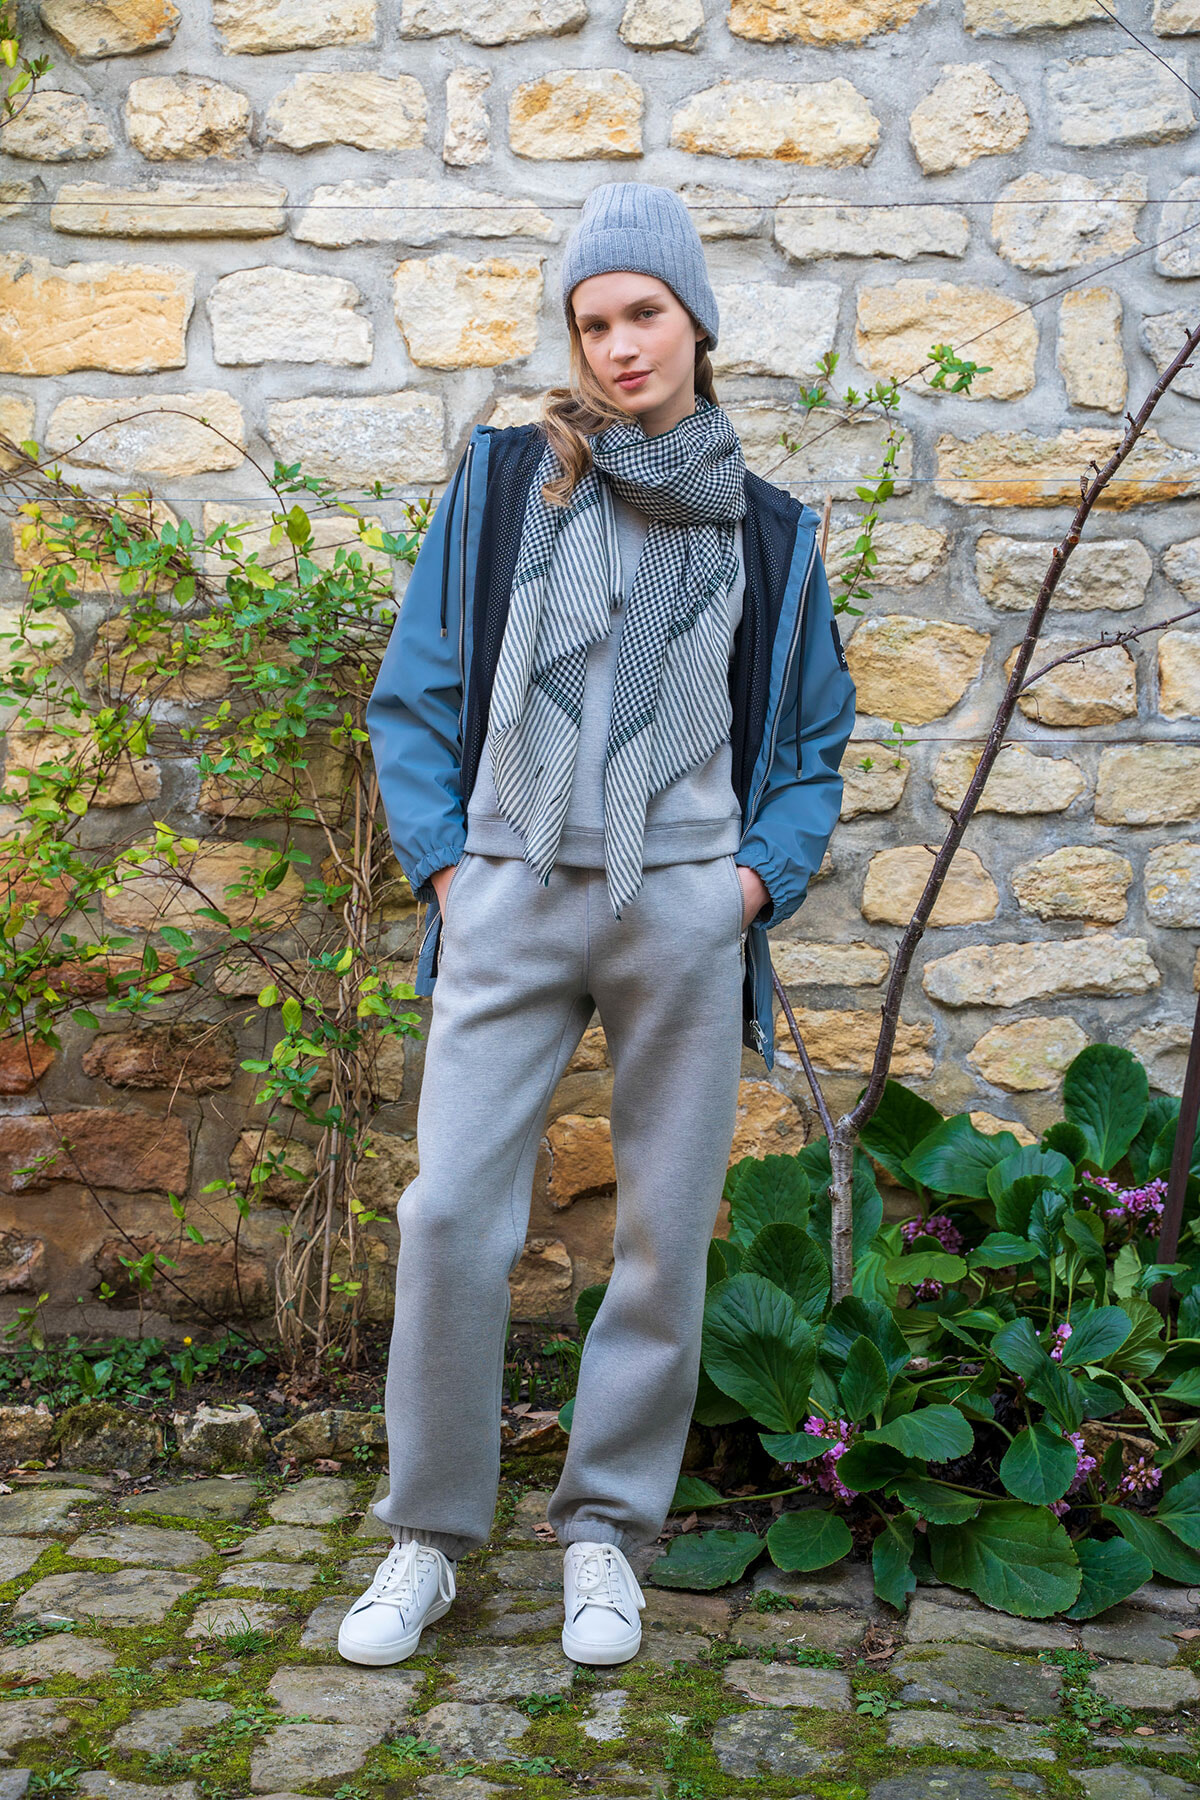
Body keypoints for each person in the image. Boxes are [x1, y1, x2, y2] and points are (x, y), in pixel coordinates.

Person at [342, 180, 857, 1670]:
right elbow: (417, 687)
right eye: (593, 321)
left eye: (643, 312)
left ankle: (606, 1539)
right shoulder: (511, 483)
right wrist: (448, 868)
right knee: (450, 1217)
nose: (620, 345)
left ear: (696, 319)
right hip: (508, 889)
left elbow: (816, 741)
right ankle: (429, 1540)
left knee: (659, 1238)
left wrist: (749, 883)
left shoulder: (773, 529)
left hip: (683, 904)